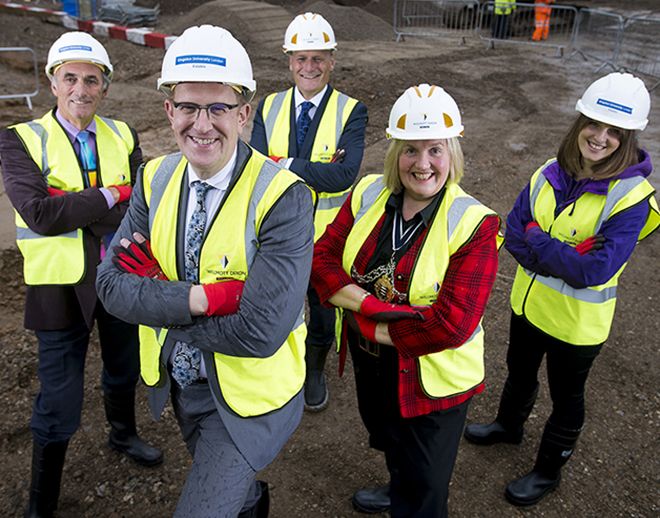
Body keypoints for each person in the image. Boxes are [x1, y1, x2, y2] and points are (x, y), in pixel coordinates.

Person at [96, 25, 314, 517]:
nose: (202, 124)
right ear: (169, 110)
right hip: (182, 381)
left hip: (250, 392)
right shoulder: (154, 177)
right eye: (189, 107)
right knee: (235, 492)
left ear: (244, 113)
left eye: (218, 108)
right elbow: (110, 286)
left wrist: (155, 293)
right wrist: (204, 297)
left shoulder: (284, 196)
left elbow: (260, 331)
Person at [464, 72, 659, 507]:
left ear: (628, 138)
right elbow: (512, 231)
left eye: (615, 131)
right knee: (518, 372)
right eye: (594, 123)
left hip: (576, 326)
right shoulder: (548, 173)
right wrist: (553, 250)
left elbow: (594, 270)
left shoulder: (631, 198)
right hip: (529, 306)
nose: (600, 137)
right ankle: (508, 427)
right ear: (580, 123)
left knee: (566, 397)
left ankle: (548, 471)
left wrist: (539, 239)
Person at [311, 83, 500, 517]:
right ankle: (399, 487)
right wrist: (373, 310)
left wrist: (359, 314)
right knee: (389, 440)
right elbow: (321, 258)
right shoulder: (367, 194)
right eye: (410, 150)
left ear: (453, 152)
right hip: (372, 363)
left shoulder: (474, 224)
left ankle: (412, 499)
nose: (422, 163)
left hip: (433, 381)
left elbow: (452, 324)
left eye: (435, 149)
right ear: (395, 153)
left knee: (428, 486)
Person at [0, 31, 163, 517]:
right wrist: (112, 195)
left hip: (118, 277)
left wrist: (72, 203)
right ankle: (40, 504)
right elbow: (39, 214)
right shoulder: (20, 140)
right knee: (59, 401)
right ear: (53, 83)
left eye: (92, 80)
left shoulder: (123, 134)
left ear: (105, 87)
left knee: (122, 367)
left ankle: (123, 434)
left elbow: (143, 205)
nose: (81, 89)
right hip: (59, 287)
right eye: (70, 78)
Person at [250, 12, 368, 412]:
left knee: (322, 311)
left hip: (327, 236)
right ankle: (276, 364)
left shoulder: (351, 111)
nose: (309, 67)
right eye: (301, 58)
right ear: (289, 62)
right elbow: (256, 169)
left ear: (332, 60)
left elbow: (343, 175)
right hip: (279, 232)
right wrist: (307, 168)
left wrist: (286, 164)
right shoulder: (268, 107)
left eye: (318, 58)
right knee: (277, 302)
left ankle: (314, 370)